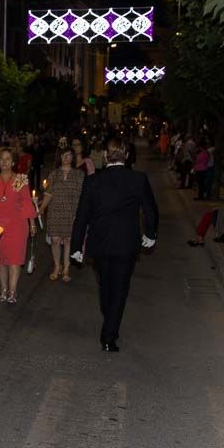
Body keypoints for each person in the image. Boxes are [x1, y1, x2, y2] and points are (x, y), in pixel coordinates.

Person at [70, 138, 159, 352]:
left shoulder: (92, 181)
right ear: (126, 156)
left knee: (105, 287)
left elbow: (81, 216)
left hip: (99, 243)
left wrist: (75, 246)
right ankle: (110, 333)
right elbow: (151, 210)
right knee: (119, 290)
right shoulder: (138, 179)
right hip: (126, 244)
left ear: (106, 157)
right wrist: (150, 234)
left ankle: (109, 329)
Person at [0, 148, 36, 304]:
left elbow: (27, 202)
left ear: (13, 162)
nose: (5, 161)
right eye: (2, 159)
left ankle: (12, 291)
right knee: (0, 259)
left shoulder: (20, 179)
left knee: (14, 259)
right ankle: (3, 289)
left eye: (8, 159)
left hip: (17, 224)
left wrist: (32, 223)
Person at [38, 147, 84, 282]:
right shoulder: (53, 174)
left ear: (73, 158)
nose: (66, 158)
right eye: (64, 155)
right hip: (55, 211)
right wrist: (41, 209)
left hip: (72, 211)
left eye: (69, 155)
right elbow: (48, 194)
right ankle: (57, 266)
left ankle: (66, 268)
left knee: (69, 240)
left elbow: (83, 196)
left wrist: (81, 214)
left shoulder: (79, 175)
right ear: (60, 157)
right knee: (55, 240)